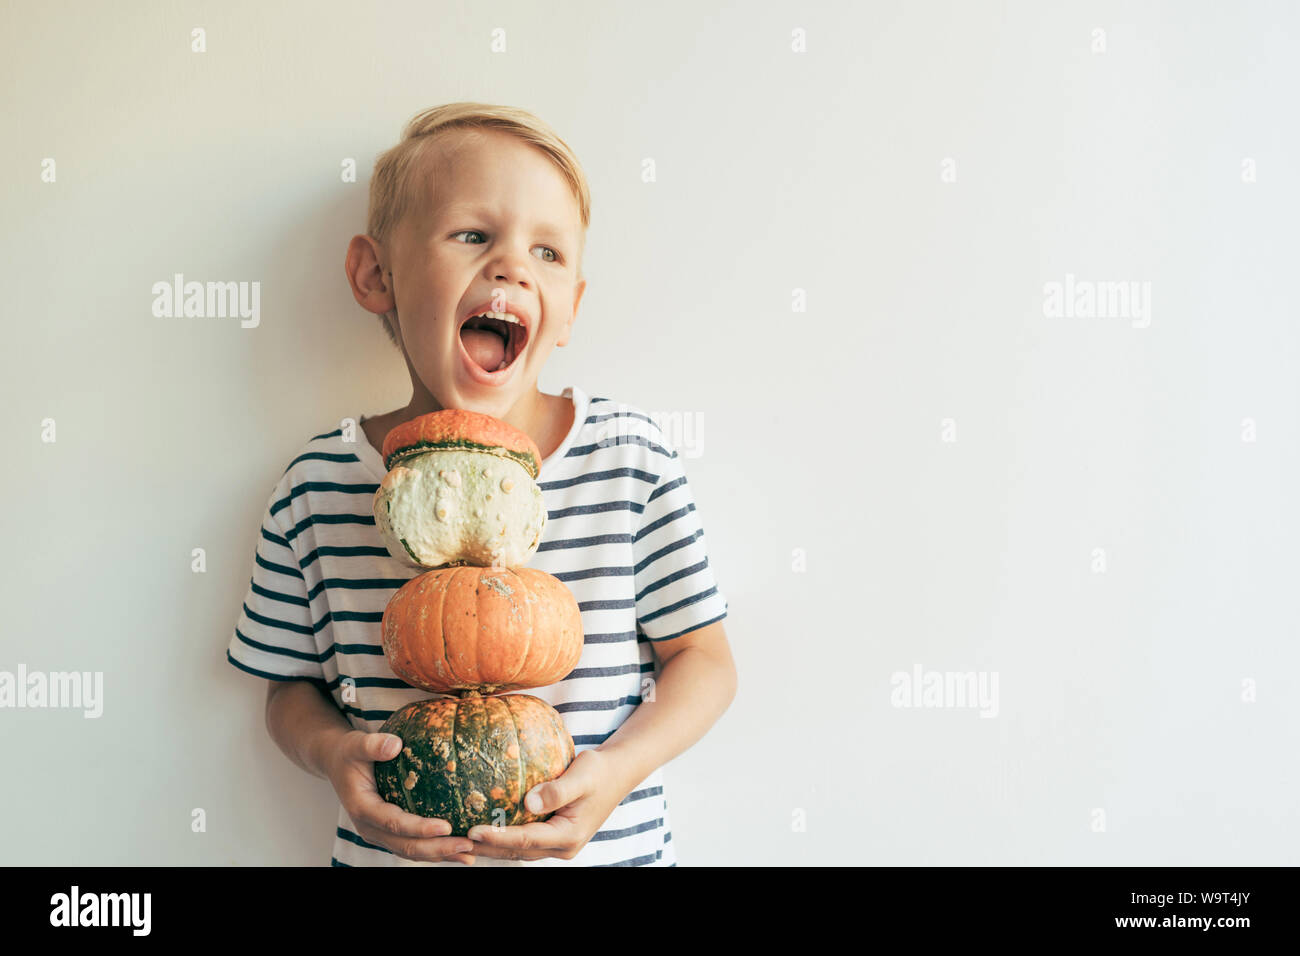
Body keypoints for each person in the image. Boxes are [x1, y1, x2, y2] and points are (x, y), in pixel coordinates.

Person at [226, 103, 737, 866]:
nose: (512, 266)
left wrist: (617, 771)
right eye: (473, 235)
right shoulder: (319, 486)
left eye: (548, 253)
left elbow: (704, 661)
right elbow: (287, 691)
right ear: (377, 275)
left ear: (570, 312)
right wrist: (332, 753)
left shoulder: (628, 459)